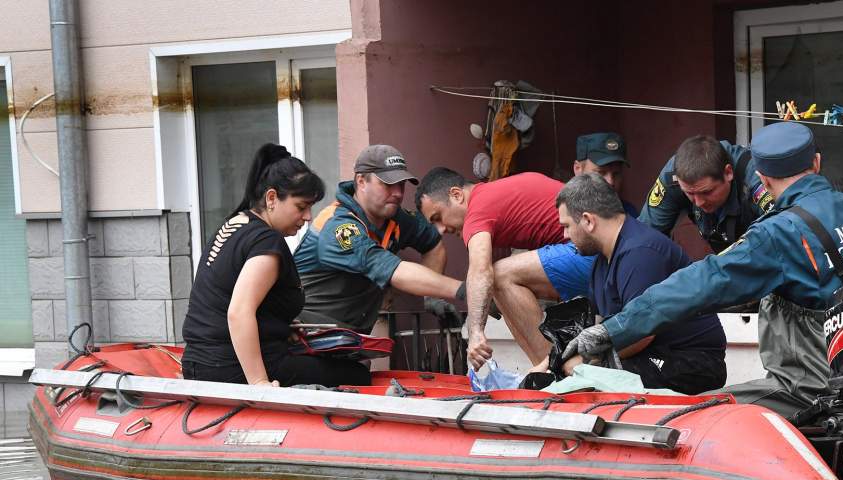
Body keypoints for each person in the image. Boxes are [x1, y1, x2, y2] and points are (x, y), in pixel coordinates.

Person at [564, 121, 843, 416]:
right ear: (816, 163)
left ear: (764, 179)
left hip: (809, 387)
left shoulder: (775, 234)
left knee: (699, 416)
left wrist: (614, 329)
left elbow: (699, 283)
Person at [182, 144, 370, 387]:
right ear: (271, 198)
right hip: (229, 367)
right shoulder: (267, 242)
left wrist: (279, 327)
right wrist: (259, 383)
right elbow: (238, 312)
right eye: (301, 207)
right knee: (357, 375)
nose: (308, 217)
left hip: (198, 363)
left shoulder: (236, 224)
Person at [549, 173, 726, 394]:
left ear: (588, 220)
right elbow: (597, 326)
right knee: (570, 375)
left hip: (692, 361)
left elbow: (642, 333)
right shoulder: (601, 260)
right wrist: (550, 364)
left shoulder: (640, 252)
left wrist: (583, 362)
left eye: (566, 226)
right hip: (649, 354)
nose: (565, 235)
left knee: (588, 381)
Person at [415, 168, 594, 368]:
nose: (440, 230)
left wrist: (475, 333)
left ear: (456, 195)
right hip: (593, 256)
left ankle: (554, 370)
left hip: (594, 255)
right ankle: (548, 368)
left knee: (498, 275)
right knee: (496, 283)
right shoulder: (494, 194)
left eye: (438, 217)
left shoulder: (478, 208)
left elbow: (480, 270)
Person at [294, 145, 464, 334]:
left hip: (350, 337)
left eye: (401, 184)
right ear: (361, 181)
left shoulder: (396, 218)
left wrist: (432, 298)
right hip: (306, 334)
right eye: (388, 184)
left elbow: (433, 244)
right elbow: (390, 268)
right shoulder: (338, 226)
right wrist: (464, 290)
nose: (398, 193)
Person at [641, 134, 772, 253]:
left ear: (728, 173)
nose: (699, 202)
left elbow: (783, 237)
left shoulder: (756, 177)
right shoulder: (673, 177)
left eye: (707, 192)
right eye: (690, 193)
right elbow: (645, 238)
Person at [572, 132, 639, 217]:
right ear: (578, 169)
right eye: (601, 173)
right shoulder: (562, 214)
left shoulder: (629, 213)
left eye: (616, 173)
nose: (610, 181)